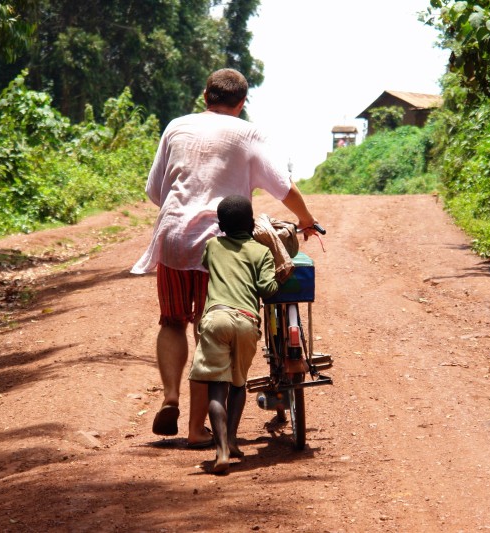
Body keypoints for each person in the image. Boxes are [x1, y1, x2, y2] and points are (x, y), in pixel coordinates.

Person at [131, 68, 318, 447]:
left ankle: (170, 398)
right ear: (242, 103)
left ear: (205, 96)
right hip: (220, 245)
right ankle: (197, 430)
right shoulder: (248, 132)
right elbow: (284, 186)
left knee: (171, 321)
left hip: (172, 239)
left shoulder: (176, 127)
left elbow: (156, 191)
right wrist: (307, 220)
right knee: (209, 330)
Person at [188, 195, 279, 473]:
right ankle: (233, 439)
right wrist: (276, 280)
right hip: (246, 322)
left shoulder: (213, 245)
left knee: (217, 387)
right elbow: (267, 289)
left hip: (216, 319)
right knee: (238, 385)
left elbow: (206, 263)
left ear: (221, 225)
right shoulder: (261, 252)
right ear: (252, 224)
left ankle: (222, 451)